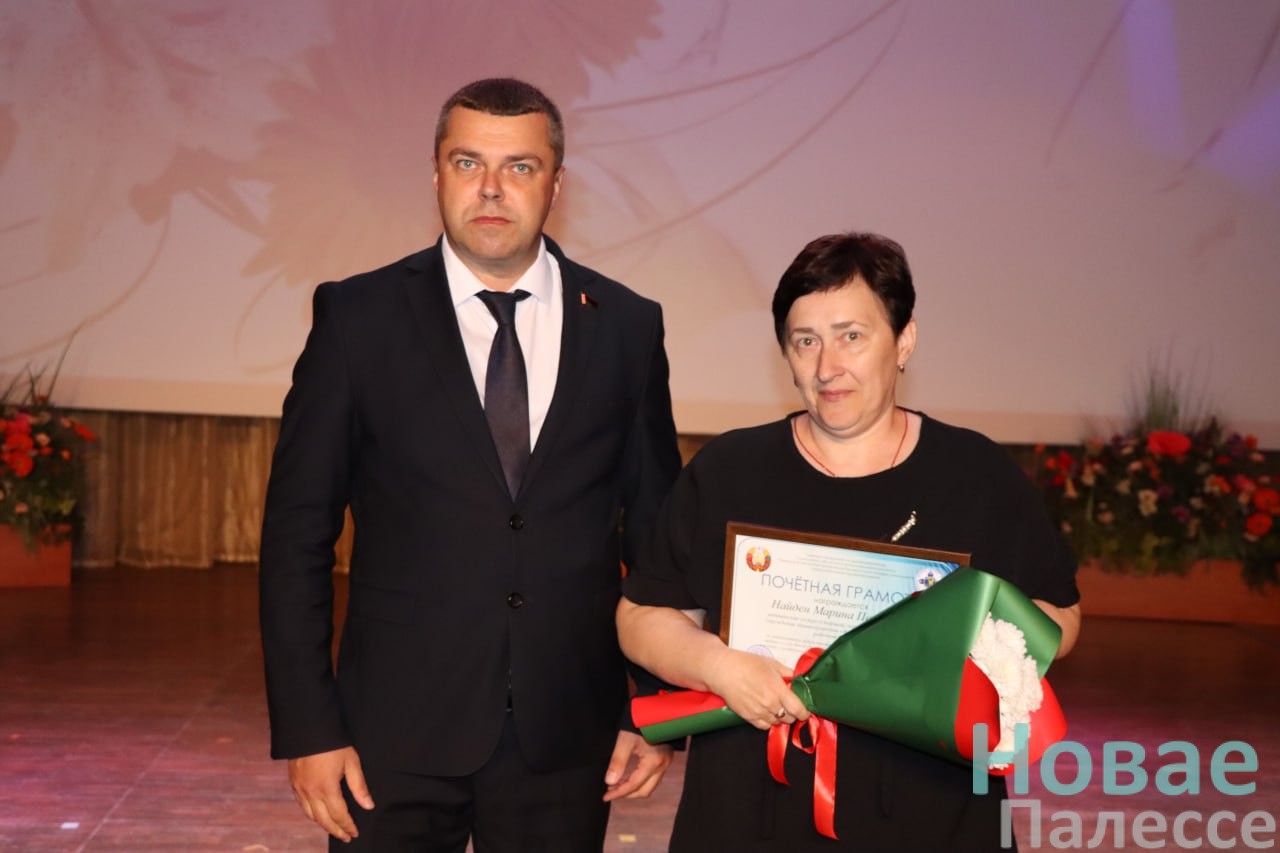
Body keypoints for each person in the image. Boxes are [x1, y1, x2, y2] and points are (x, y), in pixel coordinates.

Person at [259, 77, 683, 851]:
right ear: (435, 173)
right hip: (389, 736)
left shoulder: (626, 326)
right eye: (467, 163)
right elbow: (295, 537)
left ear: (556, 183)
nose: (491, 188)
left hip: (569, 737)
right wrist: (309, 725)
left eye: (520, 166)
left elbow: (658, 537)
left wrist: (656, 705)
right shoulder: (357, 319)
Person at [617, 232, 1081, 851]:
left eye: (851, 336)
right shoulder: (730, 470)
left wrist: (962, 649)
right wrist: (719, 667)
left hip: (932, 810)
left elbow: (1059, 617)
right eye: (805, 341)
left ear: (904, 341)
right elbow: (642, 616)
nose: (826, 366)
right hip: (749, 808)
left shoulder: (976, 475)